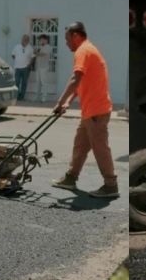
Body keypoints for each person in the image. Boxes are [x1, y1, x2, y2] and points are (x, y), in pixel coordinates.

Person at [51, 22, 118, 198]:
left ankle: (111, 186)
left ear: (76, 35)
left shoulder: (83, 51)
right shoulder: (87, 50)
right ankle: (70, 178)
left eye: (67, 39)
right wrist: (69, 102)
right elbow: (82, 82)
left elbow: (75, 78)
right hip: (91, 110)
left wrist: (60, 102)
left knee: (100, 148)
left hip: (96, 111)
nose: (66, 44)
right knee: (80, 145)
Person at [11, 34, 34, 101]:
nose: (25, 40)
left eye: (27, 39)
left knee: (24, 83)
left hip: (26, 68)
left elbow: (33, 57)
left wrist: (29, 64)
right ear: (22, 40)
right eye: (24, 39)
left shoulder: (30, 48)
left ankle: (22, 97)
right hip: (17, 67)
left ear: (28, 40)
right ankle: (16, 96)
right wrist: (18, 60)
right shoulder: (17, 47)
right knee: (17, 82)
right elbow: (13, 55)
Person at [34, 35, 52, 103]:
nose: (40, 41)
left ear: (45, 40)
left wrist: (36, 52)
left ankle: (44, 98)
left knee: (44, 83)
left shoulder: (48, 47)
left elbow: (43, 54)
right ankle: (37, 97)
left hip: (44, 67)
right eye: (40, 40)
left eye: (41, 40)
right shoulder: (41, 47)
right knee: (38, 82)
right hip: (38, 67)